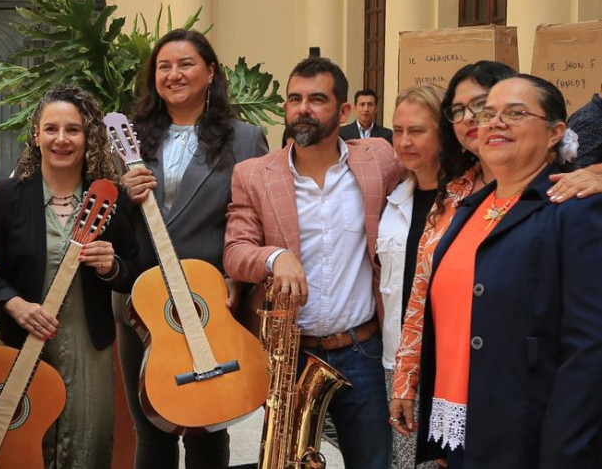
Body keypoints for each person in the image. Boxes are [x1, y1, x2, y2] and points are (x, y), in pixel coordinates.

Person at [405, 75, 602, 467]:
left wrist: (566, 454)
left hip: (529, 439)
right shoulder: (467, 209)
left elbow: (590, 350)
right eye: (488, 113)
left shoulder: (573, 210)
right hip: (461, 432)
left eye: (515, 113)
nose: (495, 123)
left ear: (554, 133)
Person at [224, 56, 401, 469]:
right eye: (294, 99)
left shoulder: (379, 160)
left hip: (362, 351)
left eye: (316, 99)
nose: (302, 108)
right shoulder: (254, 174)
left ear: (343, 112)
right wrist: (275, 256)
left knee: (373, 463)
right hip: (292, 356)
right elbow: (235, 252)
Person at [116, 29, 268, 469]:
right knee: (151, 427)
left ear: (210, 73)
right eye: (163, 66)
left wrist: (235, 279)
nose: (173, 74)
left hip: (209, 304)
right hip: (142, 305)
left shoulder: (244, 139)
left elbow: (253, 221)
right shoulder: (128, 137)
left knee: (206, 428)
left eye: (185, 64)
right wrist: (124, 194)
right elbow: (111, 225)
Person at [0, 85, 140, 468]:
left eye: (74, 129)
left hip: (89, 345)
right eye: (51, 129)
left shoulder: (110, 198)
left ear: (89, 137)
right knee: (21, 448)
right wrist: (14, 306)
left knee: (87, 447)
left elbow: (137, 271)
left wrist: (112, 265)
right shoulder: (7, 196)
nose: (61, 139)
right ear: (36, 133)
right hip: (20, 341)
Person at [376, 84, 445, 469]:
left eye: (417, 131)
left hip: (447, 363)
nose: (404, 141)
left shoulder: (467, 200)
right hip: (397, 361)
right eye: (397, 130)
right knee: (405, 462)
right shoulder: (394, 199)